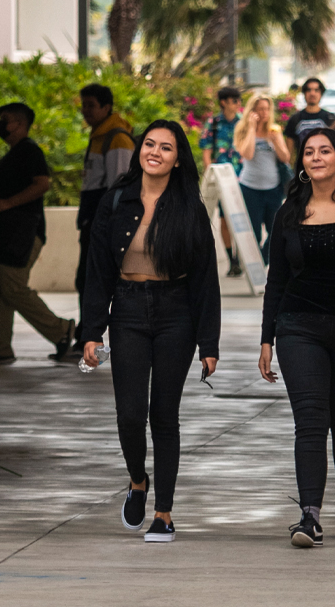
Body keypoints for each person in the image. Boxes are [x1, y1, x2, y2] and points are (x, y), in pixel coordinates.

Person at [81, 120, 221, 544]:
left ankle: (164, 513)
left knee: (164, 415)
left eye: (166, 147)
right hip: (127, 310)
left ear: (178, 159)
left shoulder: (189, 208)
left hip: (175, 312)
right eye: (149, 144)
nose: (155, 152)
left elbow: (204, 278)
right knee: (129, 414)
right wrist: (92, 331)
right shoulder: (116, 200)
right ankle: (138, 480)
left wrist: (208, 343)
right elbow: (98, 271)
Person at [258, 128, 335, 548]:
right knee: (310, 421)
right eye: (309, 152)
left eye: (324, 151)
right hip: (299, 327)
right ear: (302, 163)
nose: (316, 157)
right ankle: (308, 517)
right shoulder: (288, 214)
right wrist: (267, 338)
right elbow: (276, 279)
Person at [0, 103, 75, 364]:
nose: (2, 124)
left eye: (7, 120)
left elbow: (42, 184)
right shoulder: (12, 155)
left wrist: (8, 203)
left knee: (12, 287)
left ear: (21, 124)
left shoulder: (29, 152)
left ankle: (60, 330)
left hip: (21, 234)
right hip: (3, 234)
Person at [76, 84, 134, 349]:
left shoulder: (117, 139)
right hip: (92, 218)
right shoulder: (99, 135)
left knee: (95, 278)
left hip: (103, 221)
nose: (86, 110)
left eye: (91, 105)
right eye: (84, 104)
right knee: (85, 278)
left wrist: (107, 223)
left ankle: (92, 334)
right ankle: (86, 331)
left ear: (106, 107)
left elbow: (118, 185)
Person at [234, 94, 292, 264]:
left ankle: (263, 260)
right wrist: (252, 128)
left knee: (275, 230)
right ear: (252, 111)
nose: (264, 112)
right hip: (250, 188)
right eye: (260, 109)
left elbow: (285, 158)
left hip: (273, 188)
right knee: (254, 231)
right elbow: (248, 154)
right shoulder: (243, 129)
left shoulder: (274, 130)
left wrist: (277, 142)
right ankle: (256, 263)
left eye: (267, 109)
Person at [200, 86, 244, 276]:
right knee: (225, 220)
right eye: (233, 100)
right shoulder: (214, 123)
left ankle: (243, 257)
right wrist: (211, 171)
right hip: (222, 178)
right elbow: (206, 150)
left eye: (238, 100)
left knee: (243, 219)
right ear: (223, 102)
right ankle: (231, 259)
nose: (237, 104)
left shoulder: (243, 123)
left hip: (243, 177)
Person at [285, 78, 335, 157]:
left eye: (316, 90)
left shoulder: (330, 119)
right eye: (309, 90)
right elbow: (289, 153)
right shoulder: (295, 119)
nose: (312, 93)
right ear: (304, 93)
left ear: (321, 93)